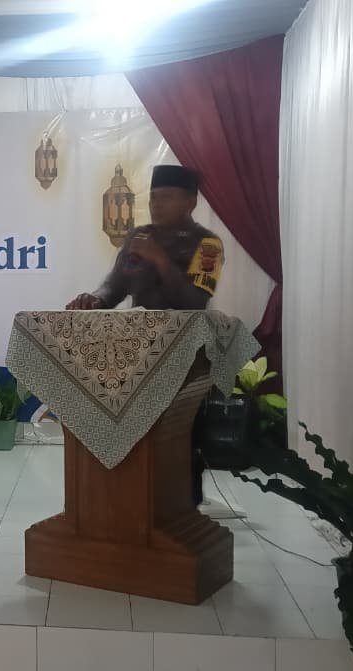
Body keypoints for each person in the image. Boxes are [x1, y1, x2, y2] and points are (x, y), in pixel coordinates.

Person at [66, 164, 225, 506]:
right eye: (153, 197)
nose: (156, 204)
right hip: (138, 353)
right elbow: (115, 286)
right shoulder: (138, 238)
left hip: (186, 357)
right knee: (137, 434)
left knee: (181, 435)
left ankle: (184, 507)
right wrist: (94, 300)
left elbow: (195, 301)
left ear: (191, 202)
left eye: (166, 197)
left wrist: (161, 260)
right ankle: (136, 504)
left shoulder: (209, 245)